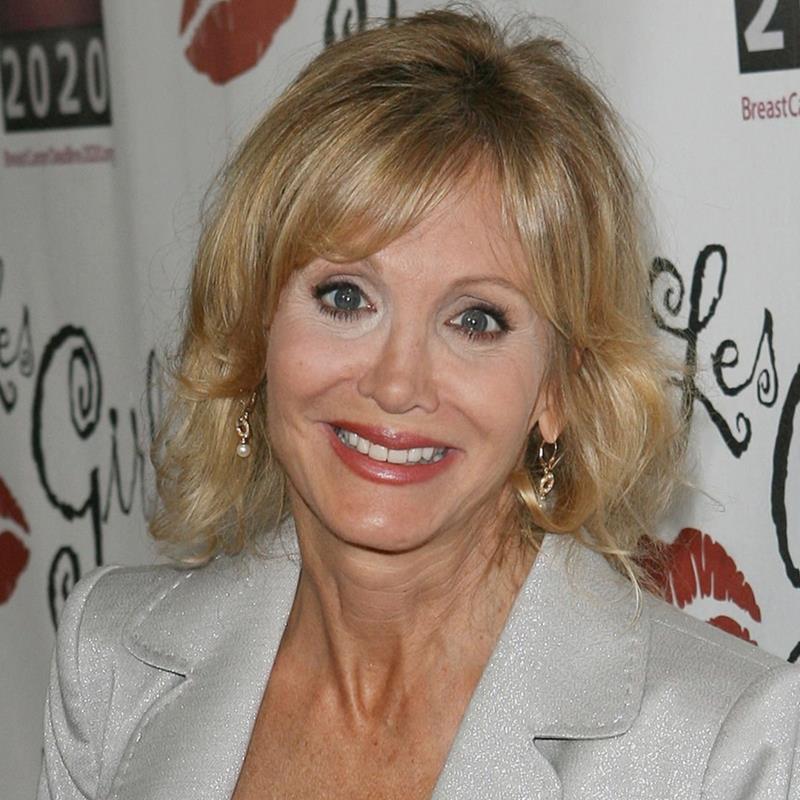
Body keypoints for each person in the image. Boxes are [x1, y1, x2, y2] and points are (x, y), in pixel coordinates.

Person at [38, 9, 800, 800]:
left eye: (476, 320)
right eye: (345, 297)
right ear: (252, 329)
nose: (398, 383)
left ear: (557, 389)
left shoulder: (724, 749)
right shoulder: (111, 662)